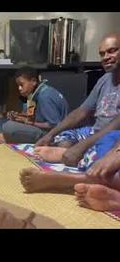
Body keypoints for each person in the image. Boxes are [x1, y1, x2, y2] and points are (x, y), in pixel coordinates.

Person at [19, 32, 120, 194]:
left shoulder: (45, 94)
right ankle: (69, 154)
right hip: (94, 131)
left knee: (104, 156)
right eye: (102, 54)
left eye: (112, 51)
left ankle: (66, 175)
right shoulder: (104, 80)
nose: (106, 57)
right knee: (62, 136)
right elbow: (81, 111)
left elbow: (116, 125)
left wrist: (82, 146)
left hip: (114, 137)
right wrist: (50, 135)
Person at [0, 66, 69, 143]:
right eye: (18, 85)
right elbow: (29, 115)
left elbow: (54, 125)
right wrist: (18, 116)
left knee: (8, 127)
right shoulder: (33, 95)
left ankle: (10, 138)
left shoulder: (45, 96)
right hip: (43, 129)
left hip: (54, 134)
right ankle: (10, 136)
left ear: (33, 81)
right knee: (10, 125)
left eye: (21, 84)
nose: (19, 88)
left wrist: (32, 123)